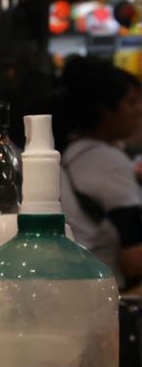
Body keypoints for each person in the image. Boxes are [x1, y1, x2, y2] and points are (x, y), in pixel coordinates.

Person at [52, 56, 142, 285]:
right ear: (105, 111)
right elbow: (134, 258)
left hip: (77, 280)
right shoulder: (107, 159)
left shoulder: (74, 151)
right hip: (110, 287)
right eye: (131, 102)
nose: (138, 110)